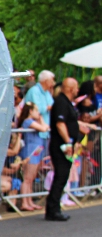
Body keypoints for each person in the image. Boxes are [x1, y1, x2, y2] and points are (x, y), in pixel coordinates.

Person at [46, 78, 82, 221]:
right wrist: (68, 142)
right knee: (60, 176)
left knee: (63, 176)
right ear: (70, 88)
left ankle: (55, 208)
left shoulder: (67, 103)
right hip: (60, 145)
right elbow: (60, 124)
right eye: (76, 87)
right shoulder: (61, 102)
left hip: (66, 144)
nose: (78, 90)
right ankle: (53, 210)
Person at [16, 102, 49, 211]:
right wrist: (41, 119)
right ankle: (25, 202)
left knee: (31, 179)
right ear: (30, 111)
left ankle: (29, 201)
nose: (38, 113)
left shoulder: (33, 121)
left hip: (36, 151)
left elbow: (45, 127)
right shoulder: (28, 121)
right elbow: (44, 128)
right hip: (30, 151)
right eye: (36, 110)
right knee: (27, 178)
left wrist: (40, 120)